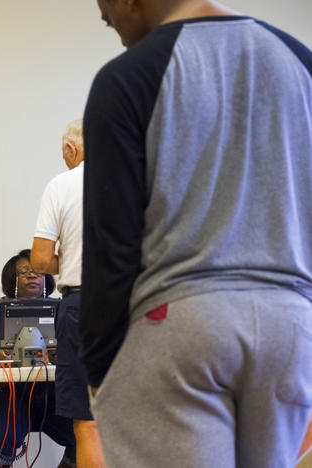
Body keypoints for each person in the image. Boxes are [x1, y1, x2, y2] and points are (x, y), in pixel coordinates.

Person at [80, 1, 312, 467]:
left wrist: (101, 371)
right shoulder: (300, 62)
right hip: (291, 327)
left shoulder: (126, 77)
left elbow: (112, 245)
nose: (115, 30)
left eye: (108, 15)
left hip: (182, 321)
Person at [30, 120, 105, 468]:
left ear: (71, 150)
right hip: (136, 306)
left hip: (83, 306)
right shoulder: (139, 181)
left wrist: (75, 258)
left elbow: (40, 260)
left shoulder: (62, 184)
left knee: (87, 422)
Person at [0, 249, 76, 468]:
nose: (31, 275)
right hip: (7, 392)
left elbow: (81, 350)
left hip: (54, 393)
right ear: (11, 279)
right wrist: (6, 353)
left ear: (46, 277)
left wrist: (61, 353)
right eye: (23, 272)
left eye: (37, 271)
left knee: (94, 421)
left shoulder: (63, 307)